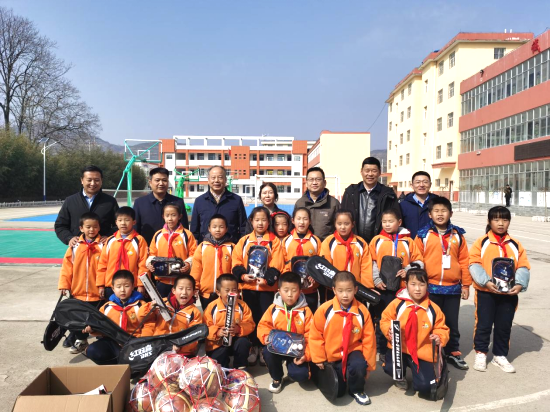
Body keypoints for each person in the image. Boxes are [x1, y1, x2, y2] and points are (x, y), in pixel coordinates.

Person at [469, 206, 531, 374]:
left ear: (509, 221)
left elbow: (523, 265)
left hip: (509, 294)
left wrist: (520, 284)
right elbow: (474, 263)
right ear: (489, 221)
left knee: (504, 326)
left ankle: (500, 355)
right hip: (486, 292)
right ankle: (481, 353)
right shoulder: (482, 242)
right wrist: (485, 282)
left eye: (504, 219)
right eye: (496, 220)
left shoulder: (515, 244)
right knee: (483, 324)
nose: (501, 223)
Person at [415, 197, 471, 370]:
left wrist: (466, 285)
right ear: (430, 214)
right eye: (436, 211)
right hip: (430, 287)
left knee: (451, 322)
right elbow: (417, 258)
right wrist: (418, 284)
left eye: (444, 211)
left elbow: (464, 261)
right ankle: (430, 351)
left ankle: (453, 351)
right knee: (430, 321)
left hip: (452, 288)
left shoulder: (458, 235)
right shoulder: (423, 235)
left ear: (451, 213)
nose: (440, 214)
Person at [309, 271, 376, 406]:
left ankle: (357, 390)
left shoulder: (362, 311)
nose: (345, 295)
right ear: (334, 290)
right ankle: (340, 376)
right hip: (331, 354)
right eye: (340, 291)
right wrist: (319, 357)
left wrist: (368, 366)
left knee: (359, 365)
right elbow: (315, 335)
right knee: (338, 392)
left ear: (355, 290)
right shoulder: (325, 310)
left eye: (349, 290)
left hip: (352, 350)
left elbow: (369, 340)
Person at [381, 268, 450, 393]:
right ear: (406, 284)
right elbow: (385, 319)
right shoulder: (397, 304)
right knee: (390, 368)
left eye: (422, 284)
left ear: (427, 286)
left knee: (426, 387)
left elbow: (442, 328)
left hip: (422, 351)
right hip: (400, 350)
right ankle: (400, 376)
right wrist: (388, 330)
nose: (417, 289)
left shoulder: (433, 309)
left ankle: (432, 368)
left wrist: (439, 337)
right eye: (413, 284)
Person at [232, 207, 285, 366]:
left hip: (266, 290)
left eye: (264, 220)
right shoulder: (244, 241)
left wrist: (268, 280)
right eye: (257, 220)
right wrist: (242, 276)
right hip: (248, 289)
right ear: (251, 221)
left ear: (269, 222)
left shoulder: (274, 241)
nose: (260, 223)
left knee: (265, 319)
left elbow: (277, 263)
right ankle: (252, 347)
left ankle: (264, 348)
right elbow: (236, 261)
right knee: (250, 319)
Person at [369, 209, 423, 362]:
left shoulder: (408, 241)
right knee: (382, 319)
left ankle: (402, 349)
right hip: (383, 288)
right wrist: (376, 280)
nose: (387, 224)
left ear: (399, 222)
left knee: (400, 319)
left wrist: (408, 270)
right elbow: (371, 262)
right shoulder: (377, 241)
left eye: (390, 221)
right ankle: (382, 349)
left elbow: (419, 261)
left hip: (402, 290)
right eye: (384, 222)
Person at [257, 272, 313, 394]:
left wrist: (306, 355)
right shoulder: (273, 308)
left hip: (296, 350)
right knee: (267, 351)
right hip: (278, 346)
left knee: (301, 376)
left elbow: (311, 335)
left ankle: (292, 372)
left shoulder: (306, 311)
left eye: (294, 290)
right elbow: (263, 325)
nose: (289, 294)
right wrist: (265, 336)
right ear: (279, 291)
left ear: (300, 292)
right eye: (286, 290)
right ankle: (277, 378)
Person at [58, 212, 104, 353]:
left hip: (97, 292)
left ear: (99, 227)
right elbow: (67, 267)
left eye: (95, 227)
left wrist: (103, 285)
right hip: (78, 291)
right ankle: (81, 340)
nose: (91, 230)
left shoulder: (104, 245)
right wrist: (64, 285)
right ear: (81, 228)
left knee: (98, 318)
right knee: (78, 318)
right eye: (88, 227)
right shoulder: (75, 246)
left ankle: (103, 341)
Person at [84, 270, 146, 365]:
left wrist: (143, 341)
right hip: (113, 341)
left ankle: (131, 368)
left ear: (133, 286)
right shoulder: (107, 307)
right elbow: (101, 327)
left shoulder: (141, 306)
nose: (122, 290)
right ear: (113, 288)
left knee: (137, 360)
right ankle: (115, 367)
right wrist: (92, 330)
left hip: (135, 343)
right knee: (92, 350)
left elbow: (149, 326)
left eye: (126, 286)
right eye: (118, 286)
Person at [139, 275, 203, 356]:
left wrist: (180, 346)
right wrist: (150, 308)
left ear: (194, 292)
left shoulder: (195, 312)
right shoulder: (162, 302)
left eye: (188, 289)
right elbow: (141, 317)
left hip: (180, 353)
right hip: (158, 348)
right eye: (181, 288)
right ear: (173, 290)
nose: (184, 292)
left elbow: (194, 337)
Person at [55, 165, 119, 247]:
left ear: (101, 181)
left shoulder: (110, 201)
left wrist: (109, 237)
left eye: (96, 180)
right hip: (78, 249)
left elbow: (118, 225)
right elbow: (60, 225)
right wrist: (69, 238)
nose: (93, 183)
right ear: (82, 180)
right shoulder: (70, 201)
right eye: (89, 180)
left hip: (103, 249)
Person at [341, 157, 400, 245]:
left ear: (379, 172)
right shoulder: (351, 192)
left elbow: (396, 218)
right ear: (361, 172)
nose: (370, 174)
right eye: (367, 170)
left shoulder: (388, 194)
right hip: (354, 242)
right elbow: (342, 215)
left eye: (374, 171)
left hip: (380, 242)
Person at [204, 274, 255, 369]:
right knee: (219, 361)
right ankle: (223, 369)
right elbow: (205, 327)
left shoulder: (242, 305)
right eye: (227, 290)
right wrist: (217, 332)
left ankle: (240, 366)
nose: (231, 293)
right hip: (217, 342)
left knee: (243, 342)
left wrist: (239, 329)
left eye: (234, 290)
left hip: (236, 339)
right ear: (218, 292)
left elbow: (250, 324)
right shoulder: (212, 307)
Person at [321, 211, 373, 303]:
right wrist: (330, 286)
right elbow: (325, 267)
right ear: (335, 224)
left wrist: (367, 288)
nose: (343, 227)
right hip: (335, 289)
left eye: (346, 224)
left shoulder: (361, 243)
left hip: (356, 288)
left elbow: (366, 267)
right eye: (339, 224)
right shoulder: (328, 242)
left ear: (353, 224)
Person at [146, 203, 197, 298]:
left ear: (180, 216)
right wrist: (150, 264)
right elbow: (152, 254)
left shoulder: (187, 235)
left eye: (173, 215)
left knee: (180, 304)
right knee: (163, 304)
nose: (170, 218)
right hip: (162, 280)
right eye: (167, 215)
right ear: (163, 217)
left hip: (181, 280)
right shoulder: (158, 235)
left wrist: (188, 264)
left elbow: (194, 254)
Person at [96, 207, 148, 299]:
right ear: (116, 222)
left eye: (127, 220)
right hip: (111, 285)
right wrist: (100, 285)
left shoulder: (139, 240)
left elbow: (143, 264)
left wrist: (141, 284)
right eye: (120, 220)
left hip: (131, 286)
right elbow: (102, 263)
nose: (123, 223)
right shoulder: (110, 240)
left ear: (134, 222)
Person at [191, 166, 248, 244]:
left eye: (220, 177)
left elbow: (243, 227)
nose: (216, 180)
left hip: (230, 246)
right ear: (208, 180)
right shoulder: (199, 201)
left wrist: (241, 245)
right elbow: (194, 230)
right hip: (206, 247)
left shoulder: (236, 200)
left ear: (225, 180)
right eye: (213, 178)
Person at [134, 167, 189, 244]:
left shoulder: (178, 202)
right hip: (147, 248)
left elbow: (184, 229)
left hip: (174, 248)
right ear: (150, 182)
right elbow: (135, 229)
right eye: (157, 180)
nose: (161, 183)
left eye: (164, 180)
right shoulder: (140, 203)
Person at [191, 214, 235, 310]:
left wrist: (235, 288)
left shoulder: (232, 247)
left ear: (226, 229)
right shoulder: (202, 247)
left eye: (221, 227)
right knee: (207, 317)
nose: (218, 230)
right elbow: (196, 270)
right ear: (209, 229)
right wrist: (195, 287)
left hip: (226, 293)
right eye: (214, 227)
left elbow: (234, 270)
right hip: (206, 293)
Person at [282, 207, 322, 313]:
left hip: (310, 290)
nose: (301, 222)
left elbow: (319, 264)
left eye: (305, 219)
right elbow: (282, 263)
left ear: (310, 221)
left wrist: (314, 277)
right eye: (298, 218)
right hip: (291, 290)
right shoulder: (286, 241)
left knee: (309, 316)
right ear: (293, 220)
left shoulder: (315, 241)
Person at [294, 167, 341, 241]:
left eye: (318, 179)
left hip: (326, 246)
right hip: (305, 245)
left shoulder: (333, 203)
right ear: (306, 183)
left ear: (324, 183)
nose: (314, 183)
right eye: (311, 180)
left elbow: (340, 227)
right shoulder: (300, 203)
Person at [400, 171, 436, 239]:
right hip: (410, 243)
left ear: (430, 184)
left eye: (425, 182)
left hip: (433, 244)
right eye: (418, 182)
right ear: (412, 185)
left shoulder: (438, 203)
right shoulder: (403, 205)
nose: (421, 185)